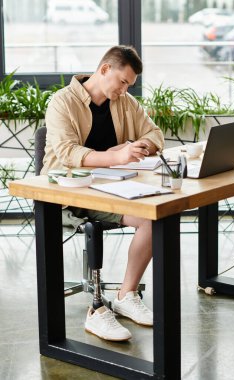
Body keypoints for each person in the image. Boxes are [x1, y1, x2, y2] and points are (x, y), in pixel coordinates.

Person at [42, 45, 164, 341]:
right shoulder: (62, 102)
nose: (125, 90)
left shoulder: (125, 102)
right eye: (122, 82)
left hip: (112, 187)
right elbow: (68, 152)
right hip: (70, 192)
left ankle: (125, 295)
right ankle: (97, 309)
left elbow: (155, 135)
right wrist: (114, 157)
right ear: (105, 69)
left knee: (154, 217)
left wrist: (134, 147)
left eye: (129, 85)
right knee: (150, 215)